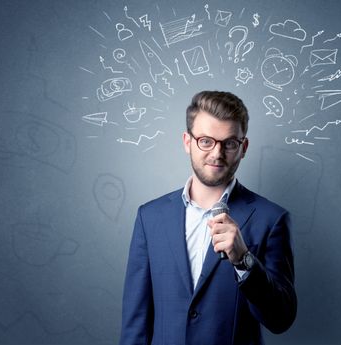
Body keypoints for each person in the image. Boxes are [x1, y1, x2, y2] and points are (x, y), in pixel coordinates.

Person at [120, 91, 297, 345]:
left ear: (243, 148)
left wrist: (244, 260)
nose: (217, 153)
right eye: (205, 141)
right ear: (187, 142)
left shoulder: (272, 219)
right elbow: (135, 325)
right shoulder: (150, 217)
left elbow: (281, 319)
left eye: (229, 143)